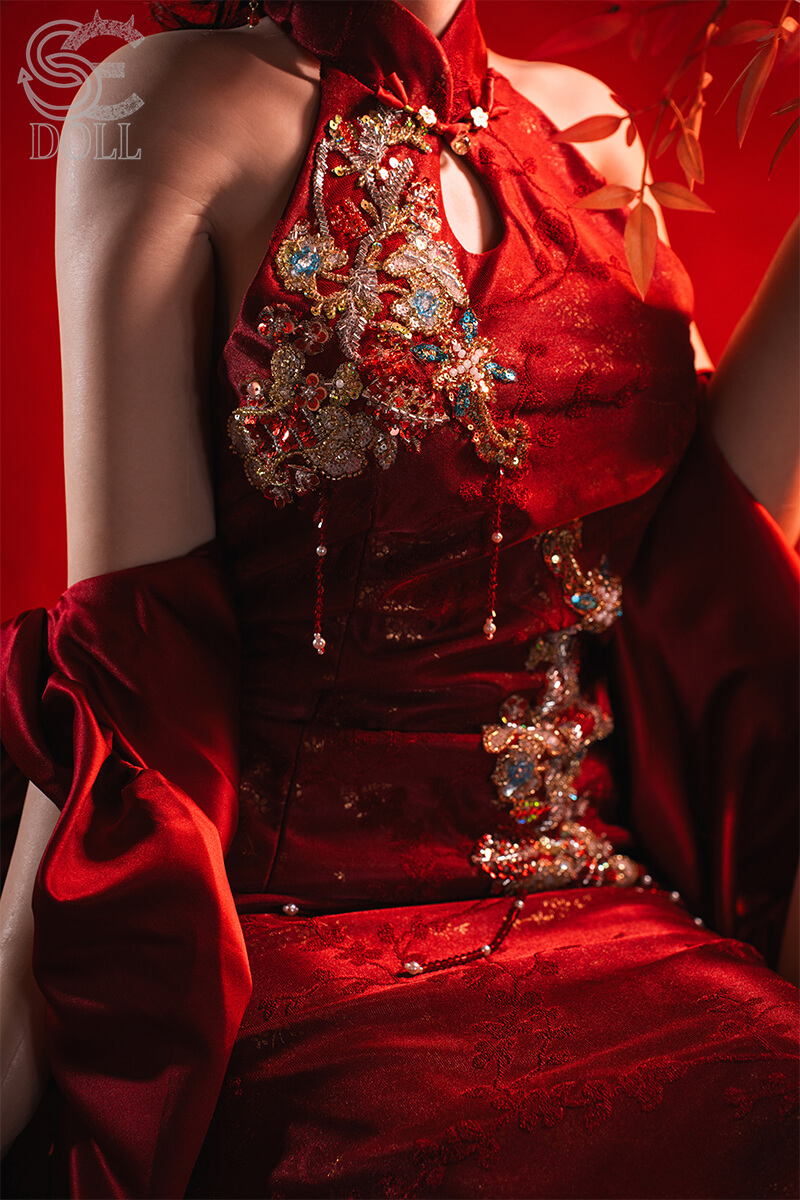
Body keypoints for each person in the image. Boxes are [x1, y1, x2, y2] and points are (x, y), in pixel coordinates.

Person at [1, 1, 797, 1196]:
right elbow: (136, 643)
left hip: (607, 908)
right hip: (305, 942)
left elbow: (693, 563)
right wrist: (25, 980)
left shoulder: (593, 131)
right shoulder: (158, 103)